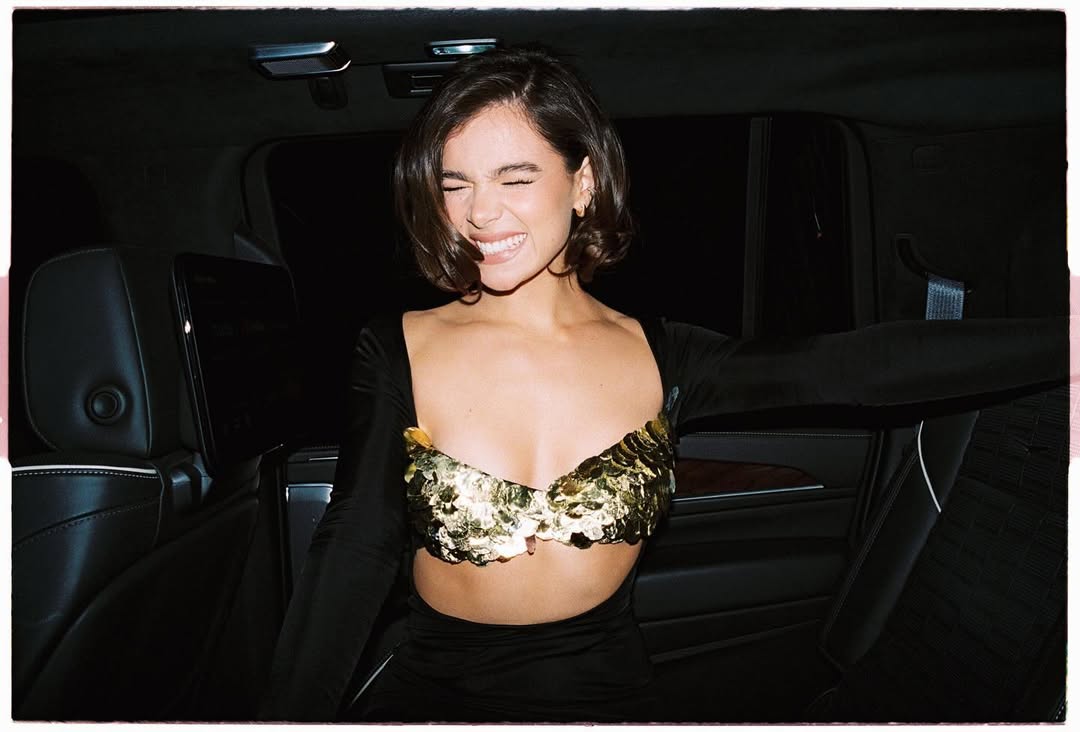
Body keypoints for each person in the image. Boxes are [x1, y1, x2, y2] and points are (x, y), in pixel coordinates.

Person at [259, 48, 1065, 723]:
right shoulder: (397, 344)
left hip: (604, 689)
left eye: (514, 177)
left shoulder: (664, 356)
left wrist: (1064, 345)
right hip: (435, 691)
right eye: (454, 183)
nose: (479, 214)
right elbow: (357, 543)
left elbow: (853, 367)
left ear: (582, 182)